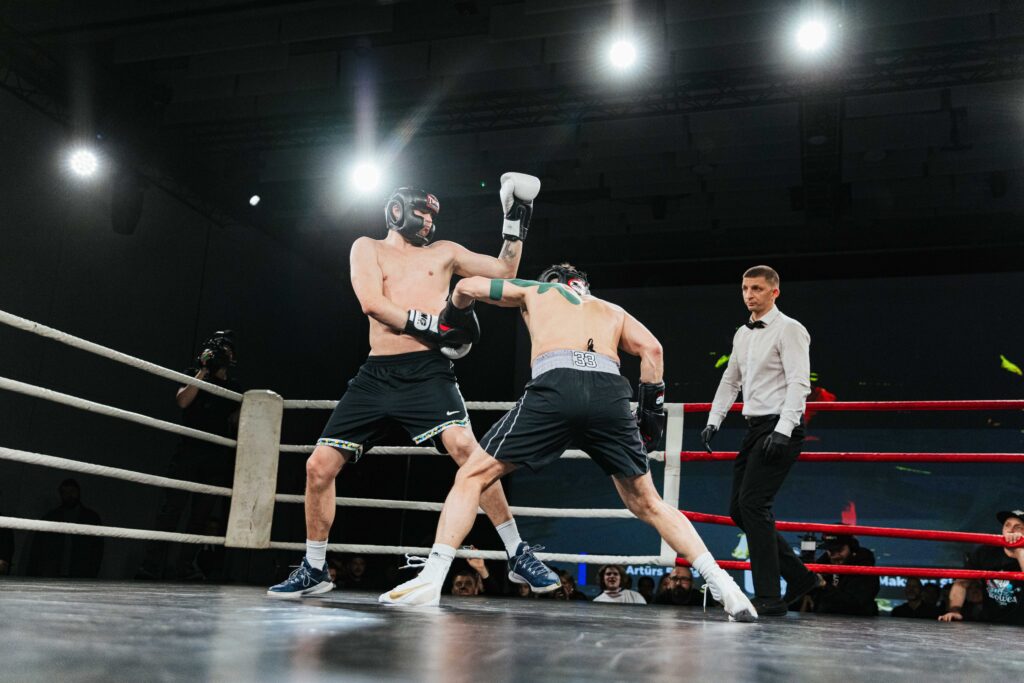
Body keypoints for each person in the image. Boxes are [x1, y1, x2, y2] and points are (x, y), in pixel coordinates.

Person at [379, 264, 758, 622]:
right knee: (648, 503)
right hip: (610, 395)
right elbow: (653, 350)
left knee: (472, 476)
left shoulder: (538, 290)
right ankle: (724, 585)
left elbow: (466, 286)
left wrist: (454, 320)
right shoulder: (611, 310)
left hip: (556, 385)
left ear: (554, 282)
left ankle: (431, 580)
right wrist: (649, 415)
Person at [269, 174, 560, 598]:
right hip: (376, 375)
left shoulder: (445, 253)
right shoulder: (367, 248)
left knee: (468, 451)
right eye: (422, 213)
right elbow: (371, 303)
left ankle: (517, 553)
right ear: (397, 210)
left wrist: (515, 221)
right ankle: (314, 568)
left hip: (428, 371)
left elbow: (504, 272)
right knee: (318, 467)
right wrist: (433, 326)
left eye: (431, 216)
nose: (428, 222)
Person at [699, 265, 820, 616]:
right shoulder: (743, 333)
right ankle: (799, 577)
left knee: (753, 505)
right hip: (754, 428)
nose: (749, 295)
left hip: (781, 426)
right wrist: (714, 419)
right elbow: (730, 379)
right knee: (740, 509)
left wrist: (784, 429)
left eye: (756, 288)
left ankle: (769, 596)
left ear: (774, 292)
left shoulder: (790, 329)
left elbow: (799, 383)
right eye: (745, 288)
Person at [137, 330, 241, 580]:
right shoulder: (193, 373)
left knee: (200, 516)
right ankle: (151, 565)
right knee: (171, 510)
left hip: (215, 455)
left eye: (225, 349)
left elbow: (238, 422)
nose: (220, 353)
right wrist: (204, 370)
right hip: (188, 451)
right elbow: (183, 401)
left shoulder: (234, 388)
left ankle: (184, 567)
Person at [938, 508, 1024, 625]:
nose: (1011, 530)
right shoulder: (986, 551)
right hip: (990, 624)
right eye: (1007, 525)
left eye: (1018, 527)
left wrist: (1020, 551)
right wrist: (954, 611)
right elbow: (961, 583)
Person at [27, 479, 104, 578]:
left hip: (80, 573)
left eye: (72, 491)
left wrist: (92, 572)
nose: (69, 495)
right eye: (65, 492)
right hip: (54, 573)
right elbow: (38, 547)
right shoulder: (51, 517)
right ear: (61, 495)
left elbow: (97, 549)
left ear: (78, 492)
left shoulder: (91, 518)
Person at [805, 533, 879, 617]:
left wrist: (824, 585)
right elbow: (807, 589)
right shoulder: (824, 562)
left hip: (856, 620)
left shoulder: (864, 566)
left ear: (851, 547)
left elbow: (855, 603)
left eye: (839, 550)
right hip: (825, 618)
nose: (835, 556)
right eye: (831, 551)